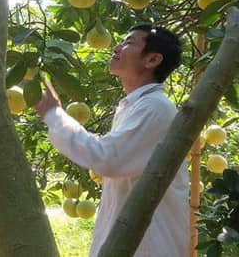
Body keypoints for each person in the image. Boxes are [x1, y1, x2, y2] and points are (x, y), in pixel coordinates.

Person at [34, 24, 189, 257]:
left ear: (153, 59)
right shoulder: (135, 106)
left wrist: (54, 115)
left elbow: (108, 158)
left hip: (150, 245)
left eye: (129, 42)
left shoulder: (155, 107)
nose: (116, 47)